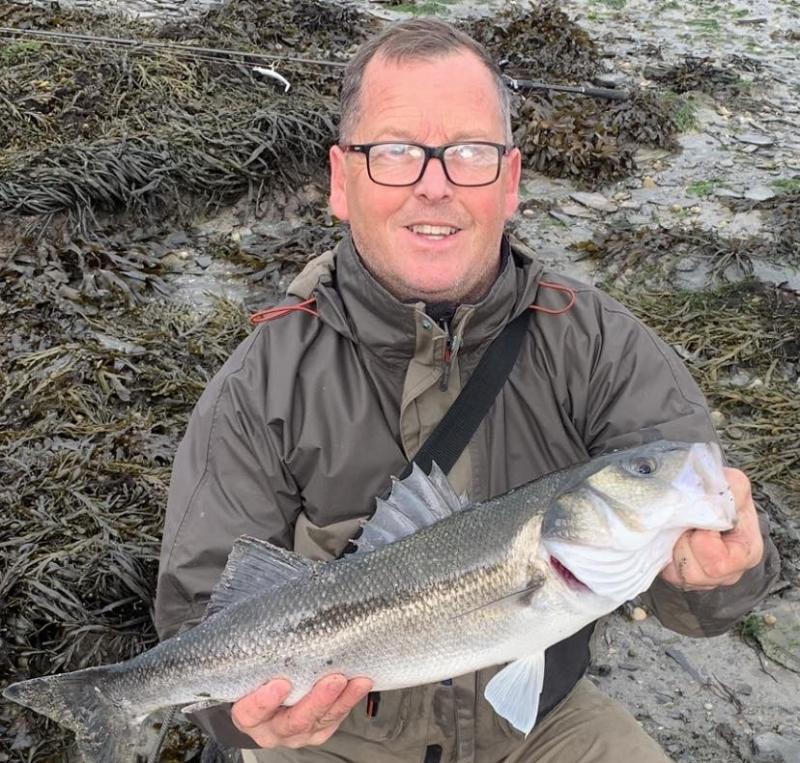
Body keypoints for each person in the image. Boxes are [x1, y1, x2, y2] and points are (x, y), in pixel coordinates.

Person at [154, 18, 780, 763]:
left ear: (510, 180)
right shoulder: (260, 383)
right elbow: (198, 613)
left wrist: (723, 572)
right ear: (341, 182)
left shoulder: (603, 345)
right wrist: (247, 720)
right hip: (332, 736)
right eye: (394, 152)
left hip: (541, 722)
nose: (434, 184)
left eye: (469, 153)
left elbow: (705, 593)